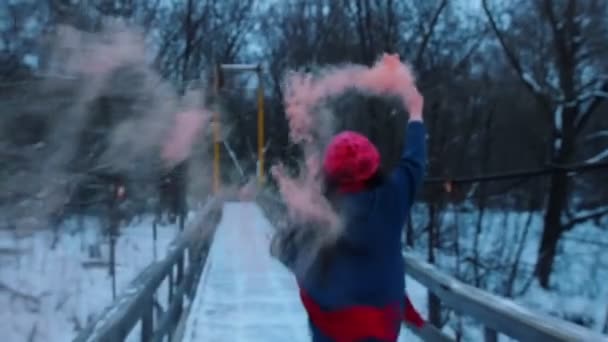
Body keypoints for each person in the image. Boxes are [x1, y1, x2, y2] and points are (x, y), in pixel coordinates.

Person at [271, 80, 427, 341]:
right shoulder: (393, 195)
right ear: (373, 164)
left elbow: (285, 252)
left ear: (330, 172)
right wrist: (415, 114)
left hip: (332, 325)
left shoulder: (316, 210)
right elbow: (414, 161)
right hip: (383, 323)